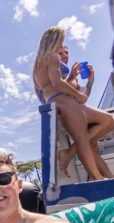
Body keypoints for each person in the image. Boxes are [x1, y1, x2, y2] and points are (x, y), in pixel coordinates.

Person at [33, 26, 114, 180]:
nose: (61, 45)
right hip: (64, 101)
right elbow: (57, 83)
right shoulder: (52, 57)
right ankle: (97, 178)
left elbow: (44, 89)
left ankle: (103, 176)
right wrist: (77, 93)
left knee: (106, 123)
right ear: (54, 40)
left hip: (56, 101)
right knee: (83, 139)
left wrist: (86, 83)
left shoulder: (37, 65)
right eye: (61, 41)